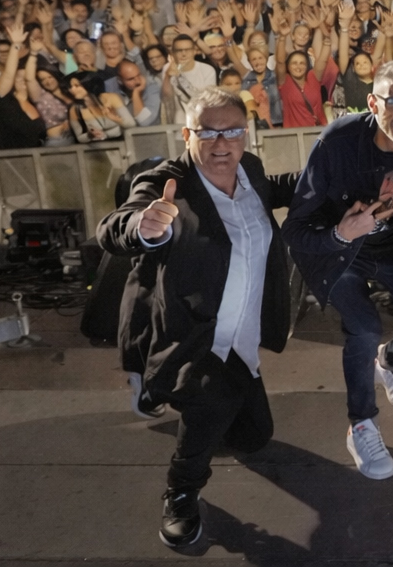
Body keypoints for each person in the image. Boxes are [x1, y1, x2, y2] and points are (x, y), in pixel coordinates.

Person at [96, 88, 298, 548]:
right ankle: (181, 493)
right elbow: (115, 226)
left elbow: (279, 187)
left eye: (231, 131)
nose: (220, 143)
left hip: (243, 330)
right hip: (194, 329)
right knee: (212, 402)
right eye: (207, 132)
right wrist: (143, 226)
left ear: (246, 135)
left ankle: (173, 394)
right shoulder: (168, 181)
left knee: (254, 438)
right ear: (188, 134)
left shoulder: (250, 170)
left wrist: (336, 177)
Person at [281, 58, 393, 481]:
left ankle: (389, 362)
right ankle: (362, 423)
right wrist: (340, 233)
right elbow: (294, 228)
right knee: (364, 327)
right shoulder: (339, 141)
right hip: (341, 248)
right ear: (373, 102)